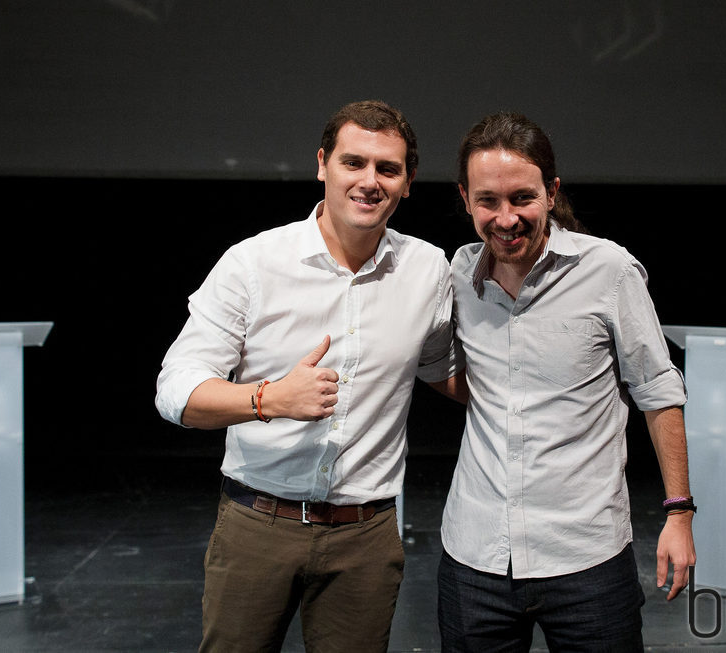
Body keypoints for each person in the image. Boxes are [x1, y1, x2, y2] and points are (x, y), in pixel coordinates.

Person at [155, 100, 460, 653]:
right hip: (257, 524)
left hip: (365, 536)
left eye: (387, 169)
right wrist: (269, 398)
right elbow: (176, 391)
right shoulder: (252, 264)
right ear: (323, 164)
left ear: (408, 183)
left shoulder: (427, 271)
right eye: (353, 163)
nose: (370, 181)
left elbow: (444, 371)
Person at [436, 112, 696, 652]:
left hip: (587, 559)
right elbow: (452, 373)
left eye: (522, 198)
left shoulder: (609, 271)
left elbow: (658, 393)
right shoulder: (457, 276)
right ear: (465, 199)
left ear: (552, 193)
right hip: (475, 557)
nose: (505, 218)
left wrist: (678, 514)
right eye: (488, 201)